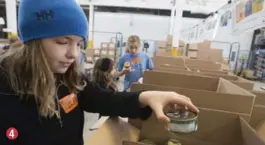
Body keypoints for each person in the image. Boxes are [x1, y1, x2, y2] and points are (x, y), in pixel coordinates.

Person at [0, 0, 199, 145]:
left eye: (79, 44)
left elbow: (106, 99)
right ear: (33, 41)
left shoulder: (70, 80)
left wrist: (146, 97)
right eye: (62, 41)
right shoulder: (6, 89)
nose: (73, 54)